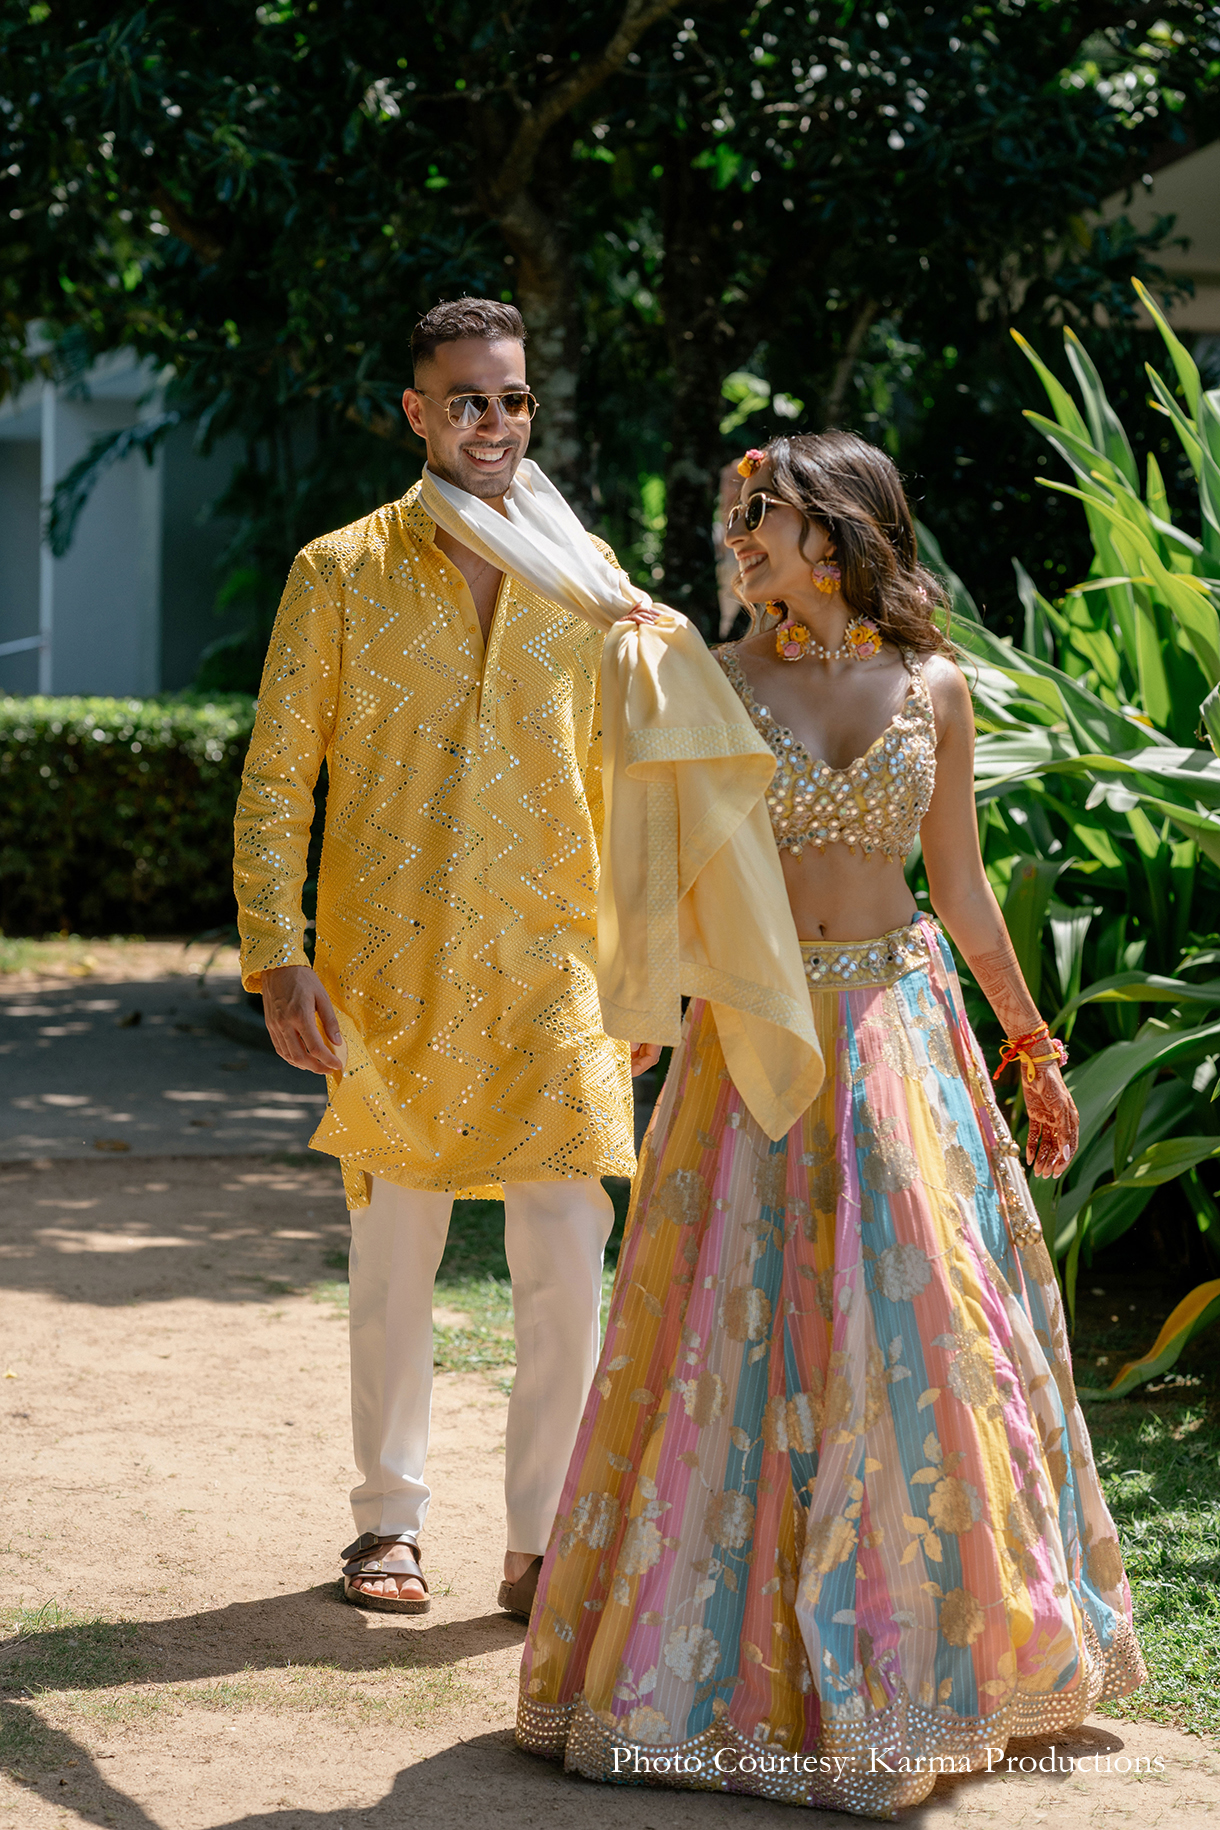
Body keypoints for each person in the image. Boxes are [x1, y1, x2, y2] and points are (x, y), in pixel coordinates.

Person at [515, 432, 1144, 1815]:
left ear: (842, 530)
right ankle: (730, 1678)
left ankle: (941, 1658)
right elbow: (656, 847)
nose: (742, 537)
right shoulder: (719, 677)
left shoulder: (936, 685)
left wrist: (1033, 1044)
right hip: (755, 1033)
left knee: (922, 1317)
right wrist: (639, 1004)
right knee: (742, 1321)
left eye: (767, 517)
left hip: (901, 1027)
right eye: (739, 518)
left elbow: (959, 887)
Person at [233, 297, 658, 1621]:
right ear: (415, 411)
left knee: (564, 1259)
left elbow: (633, 785)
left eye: (512, 398)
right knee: (393, 1257)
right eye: (468, 399)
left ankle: (544, 1543)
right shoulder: (340, 572)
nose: (493, 421)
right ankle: (388, 1522)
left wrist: (649, 968)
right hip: (388, 969)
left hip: (558, 968)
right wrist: (279, 954)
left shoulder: (586, 576)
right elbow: (276, 779)